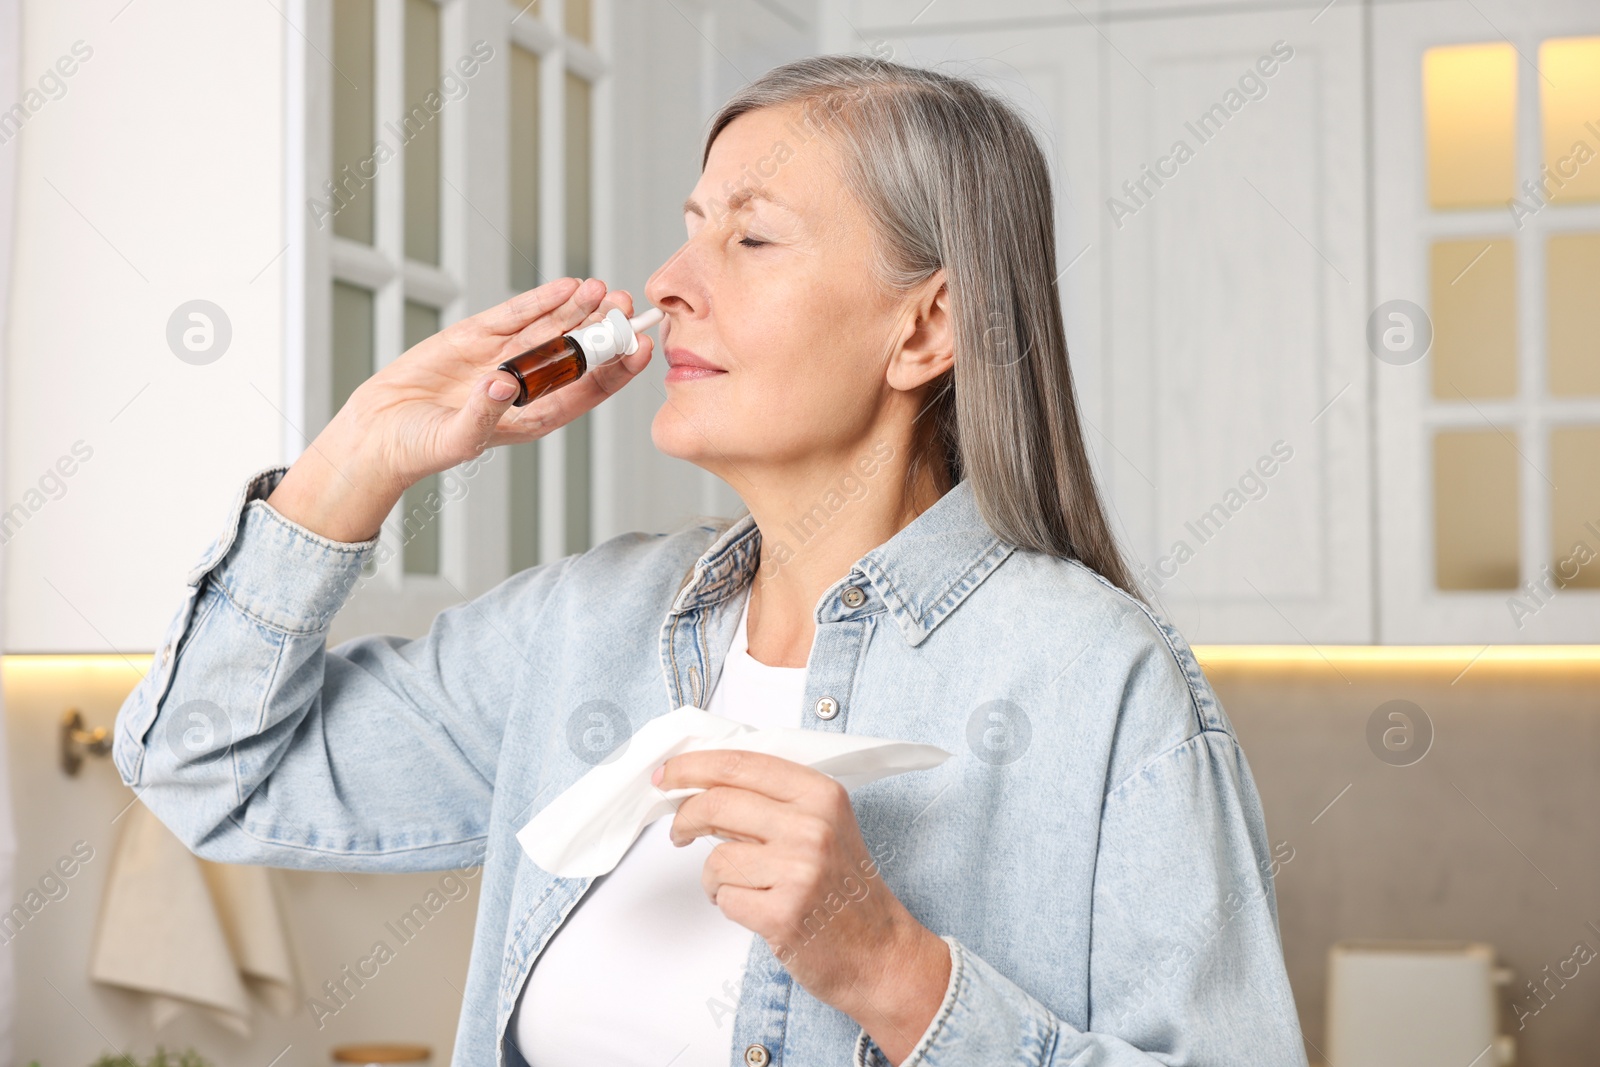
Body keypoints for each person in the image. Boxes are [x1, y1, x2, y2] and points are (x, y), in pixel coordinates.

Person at [114, 54, 1307, 1067]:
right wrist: (358, 459)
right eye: (690, 233)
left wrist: (897, 974)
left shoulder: (1104, 685)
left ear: (925, 327)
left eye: (751, 235)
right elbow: (208, 771)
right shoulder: (581, 629)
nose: (672, 285)